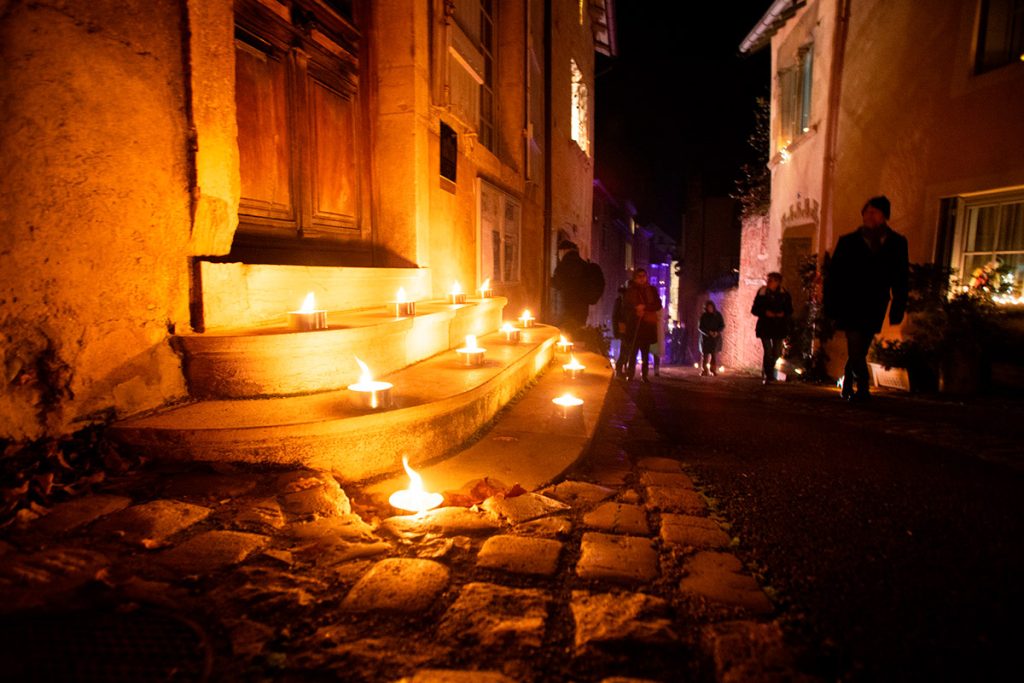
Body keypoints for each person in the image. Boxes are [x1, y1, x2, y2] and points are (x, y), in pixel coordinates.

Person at [823, 195, 909, 401]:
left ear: (884, 215)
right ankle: (863, 385)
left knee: (861, 347)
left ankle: (847, 381)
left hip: (875, 302)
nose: (869, 216)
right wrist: (831, 305)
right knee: (855, 344)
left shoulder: (896, 243)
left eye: (874, 212)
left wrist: (898, 305)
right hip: (851, 301)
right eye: (866, 212)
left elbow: (900, 276)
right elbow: (835, 276)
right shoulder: (848, 241)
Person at [751, 272, 793, 384]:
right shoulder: (762, 293)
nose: (768, 282)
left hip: (778, 326)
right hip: (765, 326)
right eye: (768, 280)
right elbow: (754, 309)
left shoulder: (784, 294)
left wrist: (783, 313)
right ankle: (769, 375)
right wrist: (765, 312)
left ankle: (767, 371)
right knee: (768, 351)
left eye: (771, 280)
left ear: (777, 282)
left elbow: (789, 309)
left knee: (777, 353)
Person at [623, 268, 663, 382]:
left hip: (647, 326)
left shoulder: (651, 290)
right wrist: (635, 309)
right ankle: (630, 374)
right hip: (635, 325)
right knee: (633, 352)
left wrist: (645, 308)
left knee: (645, 352)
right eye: (639, 276)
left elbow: (658, 305)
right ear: (635, 278)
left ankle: (644, 375)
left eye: (644, 276)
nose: (642, 279)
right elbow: (626, 306)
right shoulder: (630, 291)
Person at [551, 239, 590, 336]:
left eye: (559, 253)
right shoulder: (584, 265)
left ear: (563, 251)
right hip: (582, 312)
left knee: (565, 336)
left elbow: (557, 284)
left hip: (566, 311)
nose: (558, 256)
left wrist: (548, 280)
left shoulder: (563, 266)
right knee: (576, 337)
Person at [697, 300, 725, 376]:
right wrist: (708, 332)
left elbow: (722, 325)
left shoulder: (718, 315)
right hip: (706, 339)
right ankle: (704, 371)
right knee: (705, 355)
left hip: (715, 339)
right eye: (708, 307)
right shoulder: (703, 316)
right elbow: (700, 327)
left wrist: (717, 332)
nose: (710, 309)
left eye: (711, 307)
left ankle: (713, 370)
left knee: (714, 355)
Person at [611, 285, 629, 377]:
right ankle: (620, 368)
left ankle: (622, 368)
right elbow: (615, 316)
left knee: (626, 349)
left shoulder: (627, 301)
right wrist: (616, 330)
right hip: (623, 328)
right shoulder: (619, 301)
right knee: (624, 349)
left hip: (628, 328)